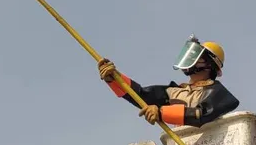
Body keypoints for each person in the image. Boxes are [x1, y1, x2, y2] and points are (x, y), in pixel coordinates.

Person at [98, 35, 239, 128]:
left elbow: (202, 114)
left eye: (198, 57)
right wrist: (115, 78)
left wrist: (161, 113)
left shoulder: (218, 93)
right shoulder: (175, 92)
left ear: (210, 64)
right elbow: (140, 95)